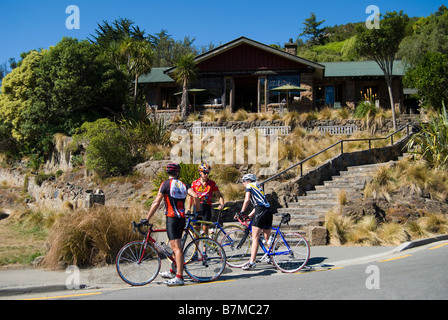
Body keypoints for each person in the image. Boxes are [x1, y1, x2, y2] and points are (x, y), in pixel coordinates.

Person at [145, 162, 199, 286]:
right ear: (177, 172)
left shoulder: (165, 185)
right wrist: (198, 212)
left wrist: (147, 218)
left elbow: (156, 202)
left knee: (176, 248)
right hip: (181, 218)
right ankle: (173, 271)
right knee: (173, 245)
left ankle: (179, 277)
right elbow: (196, 196)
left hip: (172, 218)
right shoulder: (184, 185)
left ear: (168, 172)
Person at [238, 173, 272, 270]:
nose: (243, 184)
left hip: (260, 211)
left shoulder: (249, 186)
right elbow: (259, 205)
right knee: (267, 237)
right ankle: (271, 257)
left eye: (243, 181)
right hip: (268, 211)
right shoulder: (258, 187)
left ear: (248, 181)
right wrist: (249, 216)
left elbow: (247, 200)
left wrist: (241, 212)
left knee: (255, 237)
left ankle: (252, 262)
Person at [190, 163, 224, 237]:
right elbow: (191, 197)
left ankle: (206, 248)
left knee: (205, 229)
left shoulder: (211, 183)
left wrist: (221, 204)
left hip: (206, 207)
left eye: (207, 173)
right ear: (200, 172)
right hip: (196, 206)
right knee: (196, 229)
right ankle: (196, 248)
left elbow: (219, 196)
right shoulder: (194, 183)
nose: (206, 175)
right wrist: (189, 208)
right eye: (204, 173)